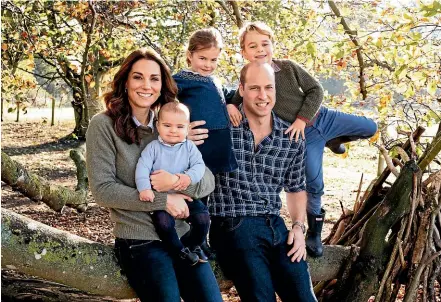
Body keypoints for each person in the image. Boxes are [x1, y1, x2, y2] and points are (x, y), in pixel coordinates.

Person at [227, 22, 378, 257]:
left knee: (370, 127)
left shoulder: (287, 68)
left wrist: (301, 118)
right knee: (314, 182)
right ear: (244, 52)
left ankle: (335, 139)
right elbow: (237, 96)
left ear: (273, 45)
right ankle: (314, 233)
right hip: (304, 138)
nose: (260, 50)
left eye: (265, 44)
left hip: (322, 118)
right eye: (252, 46)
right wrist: (229, 105)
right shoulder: (250, 77)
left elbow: (315, 90)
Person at [86, 48, 223, 302]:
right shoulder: (103, 125)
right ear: (125, 81)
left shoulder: (171, 126)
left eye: (154, 78)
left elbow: (207, 181)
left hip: (183, 236)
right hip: (140, 240)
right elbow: (103, 190)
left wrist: (177, 182)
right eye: (138, 77)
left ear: (162, 85)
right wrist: (165, 200)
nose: (146, 85)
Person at [207, 61, 317, 302]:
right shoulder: (222, 130)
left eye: (269, 87)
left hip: (275, 226)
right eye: (255, 88)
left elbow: (296, 188)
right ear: (242, 89)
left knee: (304, 296)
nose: (263, 95)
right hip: (232, 223)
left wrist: (298, 227)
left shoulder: (290, 138)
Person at [135, 102, 210, 265]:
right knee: (164, 224)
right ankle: (179, 251)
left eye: (180, 126)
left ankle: (193, 245)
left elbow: (199, 166)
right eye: (167, 125)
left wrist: (187, 178)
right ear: (158, 125)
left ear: (188, 128)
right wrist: (144, 189)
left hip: (185, 196)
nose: (173, 130)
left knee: (203, 219)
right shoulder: (153, 148)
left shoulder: (189, 147)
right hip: (162, 199)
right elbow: (142, 167)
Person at [173, 27, 238, 175]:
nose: (208, 65)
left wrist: (231, 104)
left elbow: (230, 94)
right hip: (201, 144)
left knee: (215, 191)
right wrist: (179, 129)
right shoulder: (182, 79)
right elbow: (162, 98)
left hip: (220, 147)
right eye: (202, 58)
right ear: (190, 55)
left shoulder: (214, 80)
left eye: (213, 60)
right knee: (196, 189)